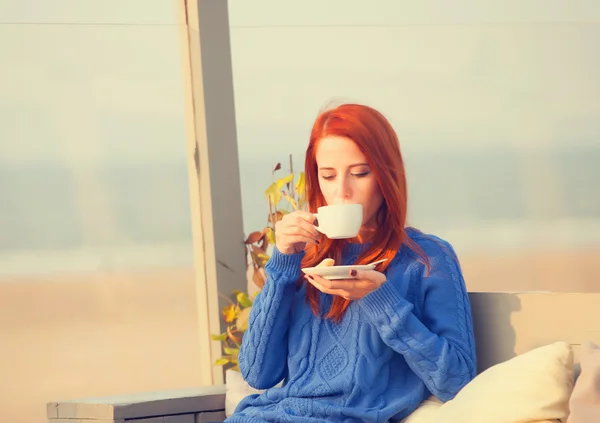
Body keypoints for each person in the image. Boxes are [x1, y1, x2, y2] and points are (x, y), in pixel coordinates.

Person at [227, 103, 477, 423]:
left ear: (387, 175)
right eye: (328, 176)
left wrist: (380, 300)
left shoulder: (428, 261)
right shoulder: (306, 259)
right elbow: (257, 374)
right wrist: (282, 264)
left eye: (360, 173)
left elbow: (458, 382)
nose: (342, 191)